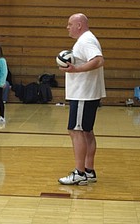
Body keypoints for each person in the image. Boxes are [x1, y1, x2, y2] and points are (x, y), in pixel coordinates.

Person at [58, 13, 106, 186]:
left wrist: (76, 69)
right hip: (87, 94)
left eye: (70, 24)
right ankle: (89, 171)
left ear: (79, 25)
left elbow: (99, 60)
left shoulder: (86, 40)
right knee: (86, 132)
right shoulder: (86, 39)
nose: (67, 27)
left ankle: (79, 173)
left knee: (76, 131)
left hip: (83, 94)